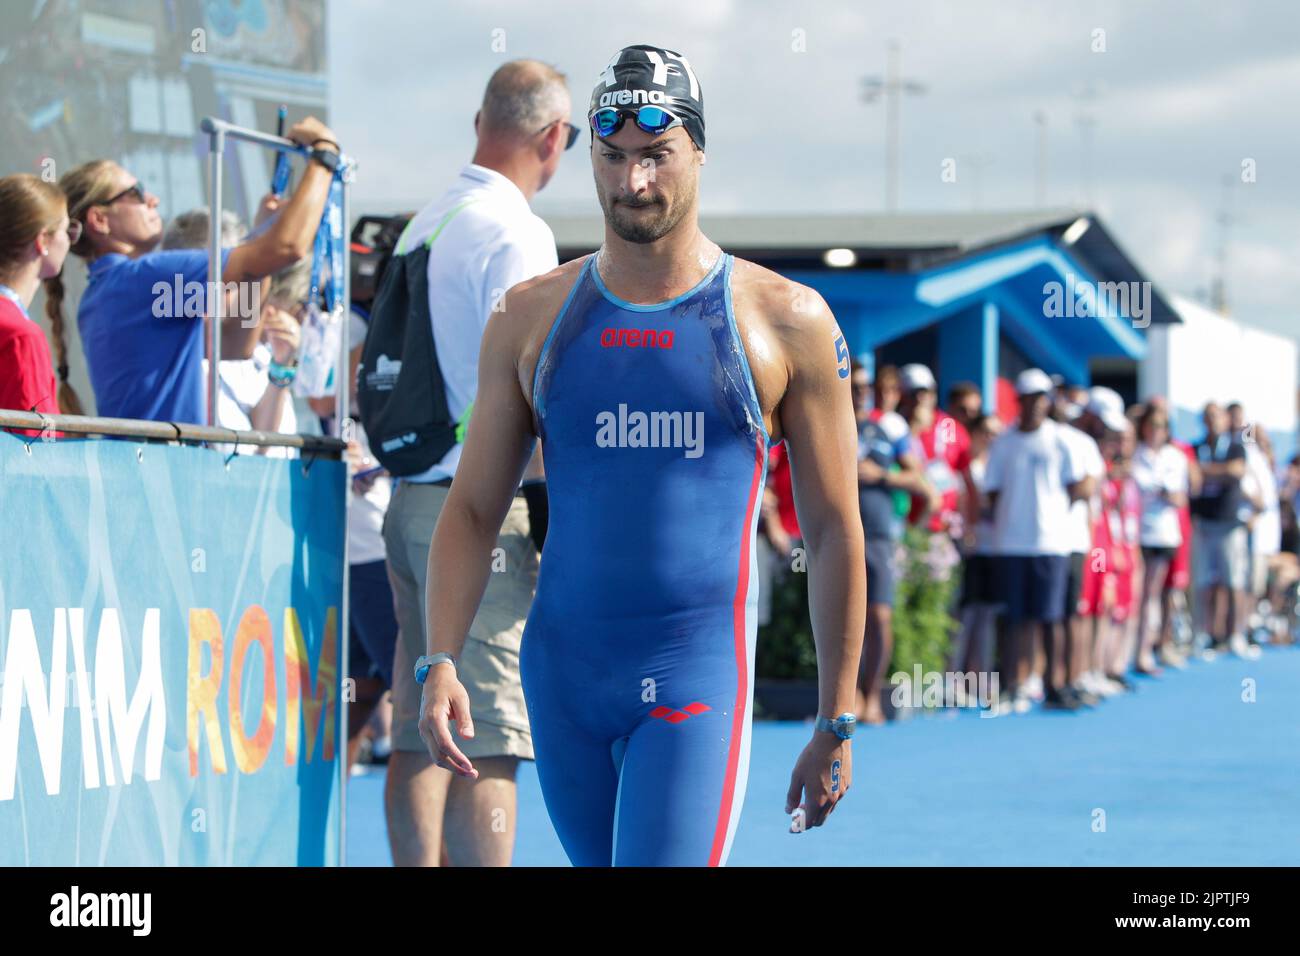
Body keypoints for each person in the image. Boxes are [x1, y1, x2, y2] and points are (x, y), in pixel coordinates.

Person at [415, 43, 866, 866]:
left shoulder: (785, 319)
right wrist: (439, 656)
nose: (633, 184)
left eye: (656, 155)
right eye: (613, 158)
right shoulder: (528, 317)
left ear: (698, 150)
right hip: (563, 677)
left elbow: (834, 529)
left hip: (694, 679)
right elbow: (475, 507)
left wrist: (836, 716)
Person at [383, 59, 574, 868]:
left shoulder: (426, 218)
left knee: (415, 728)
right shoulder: (517, 230)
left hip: (411, 500)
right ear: (554, 138)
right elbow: (534, 388)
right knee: (487, 736)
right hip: (478, 513)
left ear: (479, 122)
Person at [52, 115, 339, 424]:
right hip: (166, 465)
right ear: (100, 220)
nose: (153, 199)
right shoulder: (141, 281)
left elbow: (234, 341)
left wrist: (260, 244)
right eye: (136, 193)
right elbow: (287, 249)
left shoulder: (113, 289)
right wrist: (324, 156)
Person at [984, 368, 1091, 712]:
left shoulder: (1062, 440)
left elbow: (1077, 488)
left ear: (1047, 401)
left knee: (1051, 618)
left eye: (1040, 398)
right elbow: (993, 492)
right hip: (1011, 544)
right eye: (1027, 399)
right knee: (1013, 619)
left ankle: (1055, 685)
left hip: (1051, 543)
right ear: (1020, 401)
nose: (1034, 405)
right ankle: (1012, 684)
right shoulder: (1004, 443)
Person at [161, 208, 303, 454]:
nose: (244, 292)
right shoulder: (179, 352)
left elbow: (264, 437)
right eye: (239, 279)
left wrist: (282, 363)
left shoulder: (252, 350)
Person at [855, 360, 929, 724]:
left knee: (879, 615)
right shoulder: (827, 425)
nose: (859, 394)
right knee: (842, 618)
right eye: (853, 387)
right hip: (837, 536)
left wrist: (880, 475)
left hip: (881, 535)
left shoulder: (886, 431)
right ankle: (845, 698)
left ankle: (871, 696)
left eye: (864, 388)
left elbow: (918, 478)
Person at [0, 173, 82, 424]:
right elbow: (36, 451)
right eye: (66, 230)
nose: (70, 240)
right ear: (43, 240)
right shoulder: (20, 335)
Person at [1131, 403, 1191, 673]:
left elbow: (1178, 497)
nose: (1154, 431)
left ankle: (1147, 651)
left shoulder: (1175, 457)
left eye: (1160, 426)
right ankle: (1128, 653)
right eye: (1150, 425)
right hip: (1136, 535)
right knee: (1134, 595)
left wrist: (1162, 492)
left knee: (1152, 595)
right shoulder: (1135, 454)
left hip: (1163, 536)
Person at [1190, 402, 1252, 658]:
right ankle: (1202, 634)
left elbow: (1236, 471)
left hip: (1229, 524)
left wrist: (1206, 472)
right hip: (1202, 524)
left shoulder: (1237, 446)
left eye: (1216, 416)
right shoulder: (1197, 447)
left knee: (1233, 581)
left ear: (1225, 420)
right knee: (1203, 582)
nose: (1212, 421)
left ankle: (1235, 634)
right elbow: (1192, 476)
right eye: (1207, 417)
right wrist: (1218, 472)